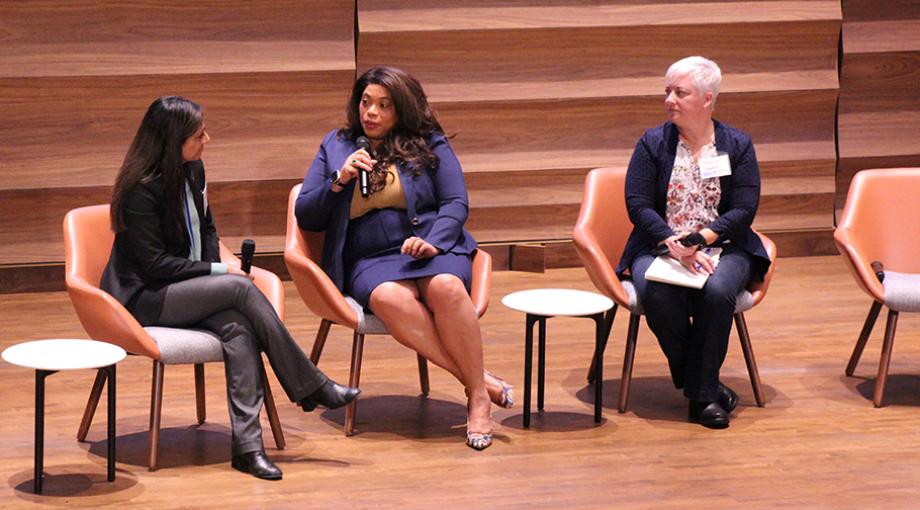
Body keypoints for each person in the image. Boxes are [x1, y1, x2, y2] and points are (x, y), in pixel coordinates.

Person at [101, 96, 360, 480]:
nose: (207, 138)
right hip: (143, 297)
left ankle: (248, 448)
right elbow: (154, 265)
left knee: (238, 328)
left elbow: (206, 228)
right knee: (239, 291)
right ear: (173, 140)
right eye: (198, 134)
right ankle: (310, 384)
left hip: (185, 287)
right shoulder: (142, 189)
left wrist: (219, 267)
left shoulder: (193, 169)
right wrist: (220, 271)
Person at [295, 66, 513, 450]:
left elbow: (455, 201)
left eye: (383, 105)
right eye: (366, 102)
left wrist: (433, 241)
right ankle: (478, 384)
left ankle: (478, 399)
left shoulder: (428, 141)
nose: (371, 113)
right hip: (369, 257)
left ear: (402, 109)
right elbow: (307, 214)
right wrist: (339, 180)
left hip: (431, 247)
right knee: (387, 298)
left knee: (446, 287)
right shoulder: (336, 144)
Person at [615, 57, 772, 429]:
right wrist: (673, 243)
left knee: (718, 292)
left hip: (726, 245)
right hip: (659, 244)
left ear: (707, 98)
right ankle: (705, 387)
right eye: (667, 91)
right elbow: (637, 204)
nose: (669, 99)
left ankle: (700, 398)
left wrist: (701, 239)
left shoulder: (737, 144)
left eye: (679, 92)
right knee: (657, 291)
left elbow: (745, 208)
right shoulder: (653, 143)